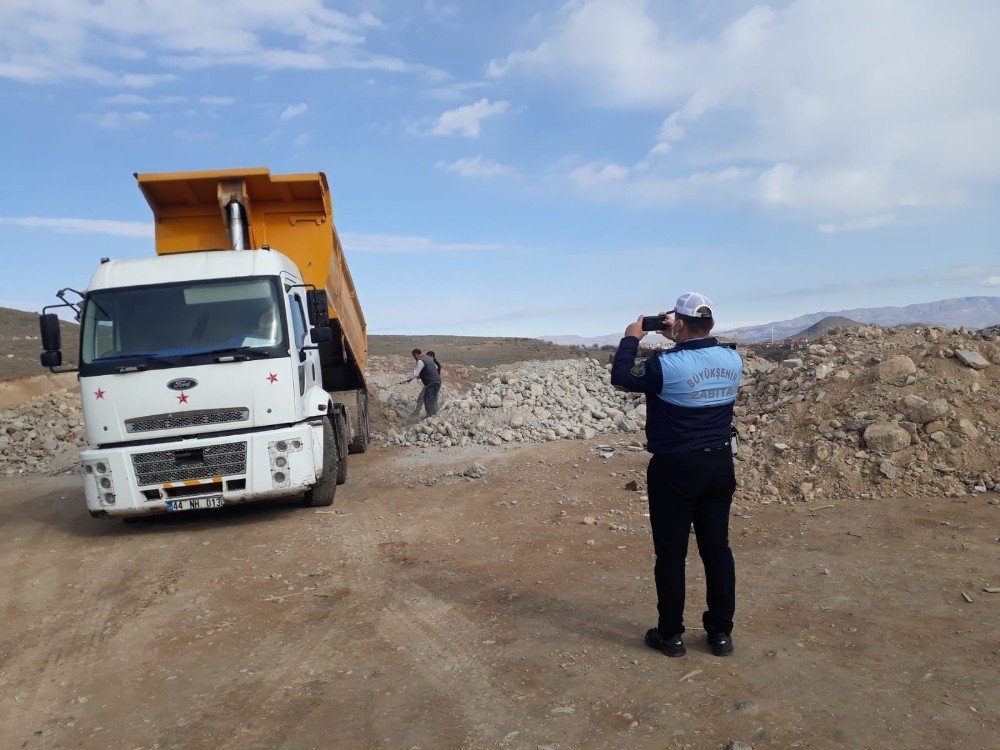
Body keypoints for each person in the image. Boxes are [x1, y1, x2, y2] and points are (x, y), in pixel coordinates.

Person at [610, 292, 742, 658]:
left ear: (679, 323)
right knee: (717, 551)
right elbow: (699, 358)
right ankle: (720, 634)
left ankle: (671, 634)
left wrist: (632, 337)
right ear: (711, 324)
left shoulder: (665, 365)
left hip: (675, 468)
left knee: (671, 555)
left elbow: (622, 375)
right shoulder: (732, 358)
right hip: (719, 464)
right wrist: (680, 336)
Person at [400, 348, 442, 419]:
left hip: (431, 383)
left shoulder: (420, 361)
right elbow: (436, 367)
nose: (414, 359)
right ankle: (434, 415)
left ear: (416, 354)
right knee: (431, 400)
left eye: (414, 357)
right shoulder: (428, 359)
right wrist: (423, 374)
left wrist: (404, 380)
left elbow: (415, 373)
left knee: (429, 402)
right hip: (437, 382)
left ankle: (432, 418)